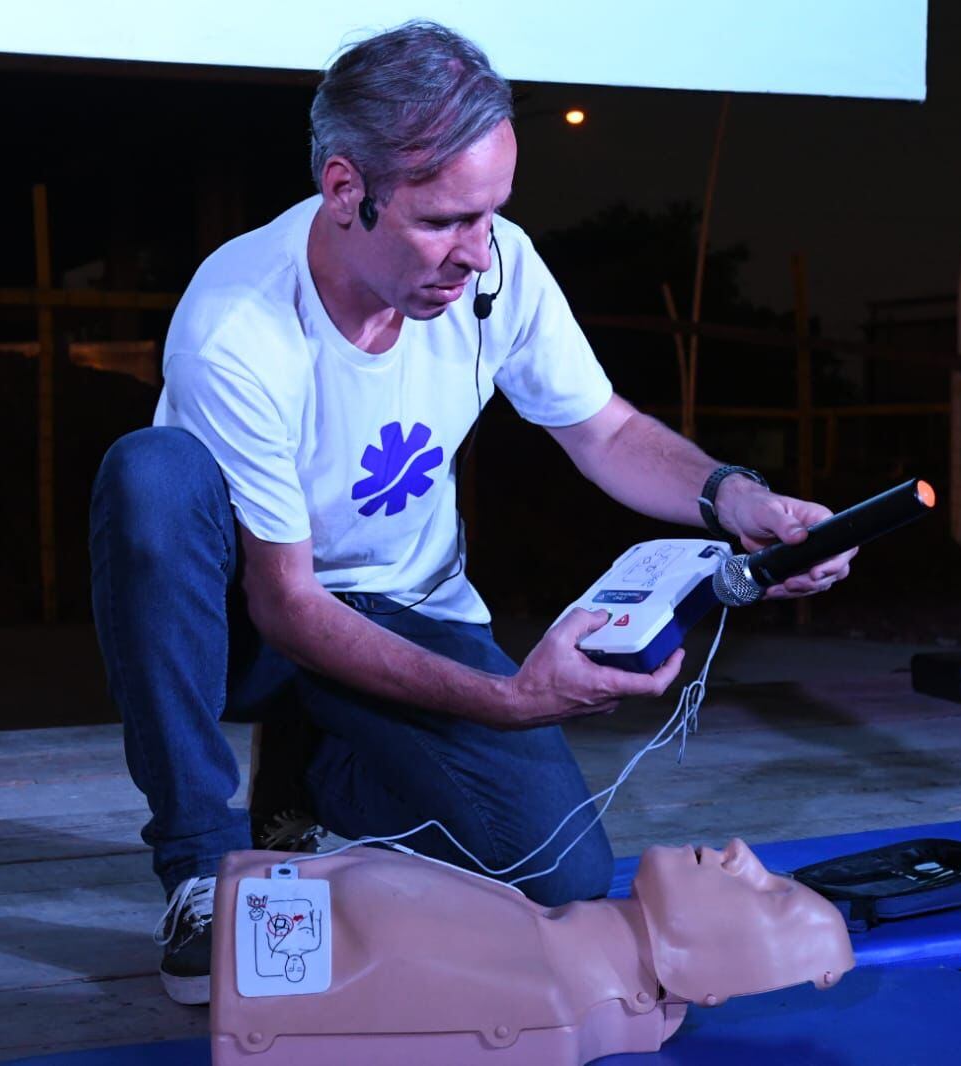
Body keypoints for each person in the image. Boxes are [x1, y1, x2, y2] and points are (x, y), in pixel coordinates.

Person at [88, 20, 855, 1006]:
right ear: (344, 190)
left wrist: (734, 500)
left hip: (406, 606)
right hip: (250, 616)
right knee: (152, 475)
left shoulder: (501, 267)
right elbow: (287, 605)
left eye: (493, 211)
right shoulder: (237, 323)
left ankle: (314, 794)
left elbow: (606, 431)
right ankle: (199, 863)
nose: (476, 251)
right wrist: (509, 700)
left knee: (560, 871)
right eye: (446, 219)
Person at [209, 841, 854, 1063]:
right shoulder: (537, 930)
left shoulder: (542, 1000)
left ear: (709, 978)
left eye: (770, 895)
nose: (743, 853)